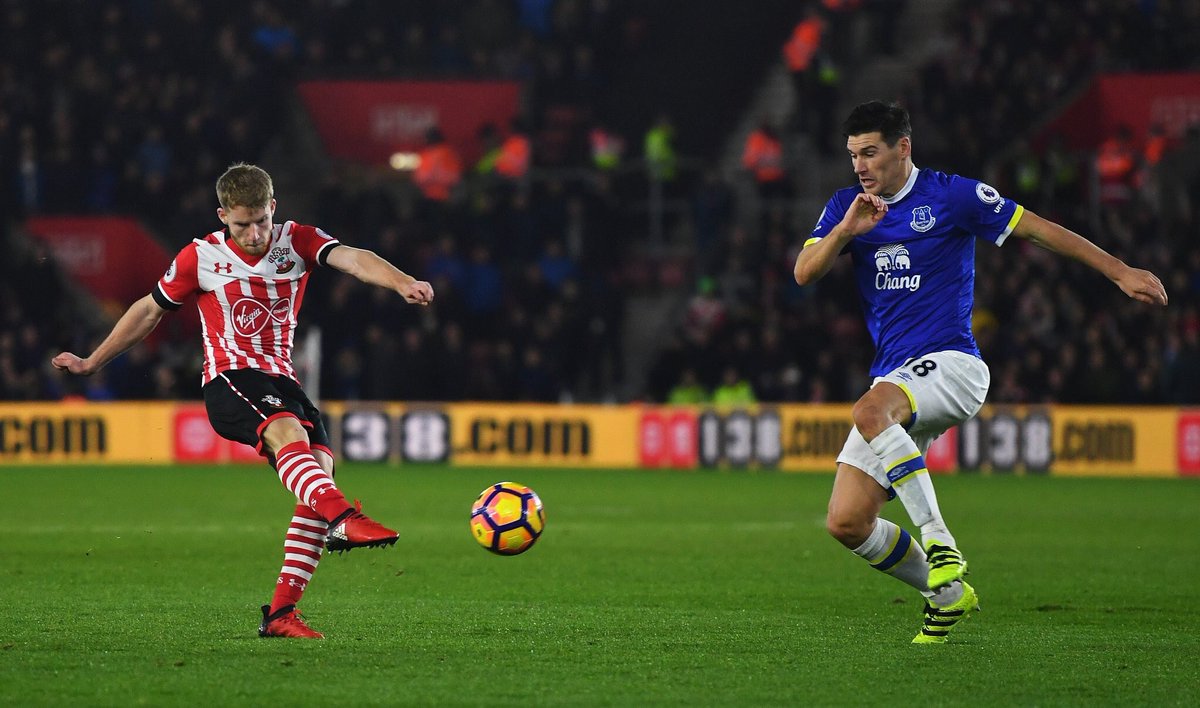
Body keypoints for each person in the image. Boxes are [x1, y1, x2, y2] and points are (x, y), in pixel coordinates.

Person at [793, 101, 1167, 644]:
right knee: (847, 522)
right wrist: (846, 231)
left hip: (953, 365)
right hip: (896, 379)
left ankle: (940, 540)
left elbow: (1036, 229)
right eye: (853, 155)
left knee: (870, 410)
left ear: (903, 147)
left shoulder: (952, 195)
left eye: (870, 152)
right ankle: (946, 595)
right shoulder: (845, 207)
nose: (860, 166)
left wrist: (1118, 270)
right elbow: (805, 272)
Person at [52, 163, 435, 639]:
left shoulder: (297, 240)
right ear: (222, 217)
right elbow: (149, 309)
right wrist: (92, 362)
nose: (254, 234)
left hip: (284, 382)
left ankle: (280, 614)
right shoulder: (200, 257)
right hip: (231, 379)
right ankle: (345, 517)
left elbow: (355, 258)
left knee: (317, 473)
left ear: (273, 207)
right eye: (241, 224)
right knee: (292, 438)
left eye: (261, 221)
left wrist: (401, 283)